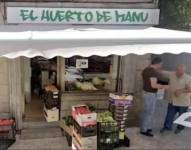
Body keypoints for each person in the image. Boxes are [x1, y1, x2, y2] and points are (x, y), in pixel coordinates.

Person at [140, 57, 169, 137]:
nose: (160, 66)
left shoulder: (146, 70)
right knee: (149, 112)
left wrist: (161, 80)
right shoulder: (152, 72)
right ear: (157, 63)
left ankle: (148, 127)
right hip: (150, 94)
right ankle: (144, 130)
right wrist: (164, 86)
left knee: (148, 112)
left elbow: (150, 82)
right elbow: (153, 85)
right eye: (160, 64)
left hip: (146, 92)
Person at [160, 64, 191, 134]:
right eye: (177, 70)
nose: (177, 72)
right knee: (169, 115)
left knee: (181, 116)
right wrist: (156, 69)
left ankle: (180, 128)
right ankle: (167, 127)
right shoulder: (172, 74)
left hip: (183, 102)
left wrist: (181, 91)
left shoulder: (188, 78)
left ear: (184, 71)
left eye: (180, 70)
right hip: (172, 100)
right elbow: (163, 72)